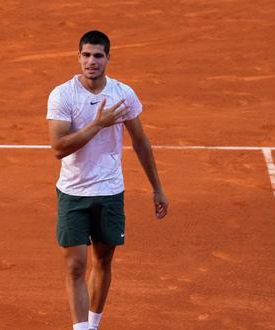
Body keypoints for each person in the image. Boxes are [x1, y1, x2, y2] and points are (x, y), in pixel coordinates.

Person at [46, 30, 168, 330]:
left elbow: (141, 142)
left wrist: (157, 188)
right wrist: (98, 124)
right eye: (86, 55)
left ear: (108, 59)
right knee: (75, 266)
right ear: (78, 57)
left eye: (98, 55)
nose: (91, 61)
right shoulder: (62, 95)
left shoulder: (122, 94)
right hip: (73, 193)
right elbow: (59, 148)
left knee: (103, 262)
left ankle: (94, 325)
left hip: (109, 191)